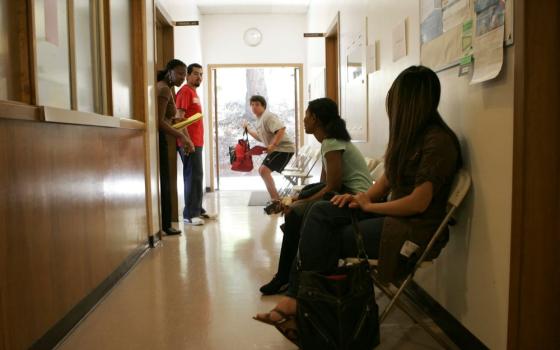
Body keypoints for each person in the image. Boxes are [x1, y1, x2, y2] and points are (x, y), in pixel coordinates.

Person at [254, 66, 462, 343]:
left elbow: (418, 203)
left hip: (409, 231)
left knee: (326, 236)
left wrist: (369, 206)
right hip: (391, 218)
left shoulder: (438, 143)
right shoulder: (409, 140)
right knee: (320, 212)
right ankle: (299, 301)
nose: (391, 110)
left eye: (394, 102)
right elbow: (383, 185)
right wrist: (360, 199)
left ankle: (306, 308)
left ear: (409, 104)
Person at [258, 97, 373, 295]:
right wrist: (299, 199)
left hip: (354, 198)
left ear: (317, 119)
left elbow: (332, 187)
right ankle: (288, 275)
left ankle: (285, 277)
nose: (304, 120)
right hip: (344, 193)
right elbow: (325, 184)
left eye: (307, 115)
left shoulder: (331, 142)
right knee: (303, 197)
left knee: (296, 213)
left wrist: (300, 203)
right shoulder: (329, 142)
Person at [175, 63, 216, 226]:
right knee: (192, 176)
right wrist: (187, 140)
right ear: (187, 76)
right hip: (188, 142)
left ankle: (197, 209)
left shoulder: (194, 92)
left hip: (196, 141)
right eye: (195, 74)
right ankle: (189, 214)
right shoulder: (185, 91)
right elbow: (179, 117)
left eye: (201, 74)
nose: (199, 77)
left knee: (198, 175)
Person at [156, 59, 191, 236]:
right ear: (169, 71)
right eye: (179, 73)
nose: (182, 78)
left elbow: (168, 119)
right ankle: (166, 224)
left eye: (184, 75)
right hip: (160, 138)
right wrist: (182, 136)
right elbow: (159, 122)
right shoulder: (163, 88)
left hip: (166, 138)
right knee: (165, 182)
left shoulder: (169, 89)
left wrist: (180, 122)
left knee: (167, 180)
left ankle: (166, 223)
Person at [243, 95, 295, 202]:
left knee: (263, 170)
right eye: (252, 105)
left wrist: (274, 145)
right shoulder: (259, 119)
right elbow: (259, 137)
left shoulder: (268, 116)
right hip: (277, 149)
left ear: (263, 106)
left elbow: (281, 129)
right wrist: (247, 129)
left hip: (284, 149)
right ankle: (275, 199)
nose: (254, 107)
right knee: (263, 171)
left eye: (257, 104)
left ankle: (275, 200)